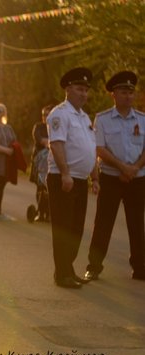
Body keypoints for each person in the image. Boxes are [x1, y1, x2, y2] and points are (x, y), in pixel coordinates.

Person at [84, 71, 145, 282]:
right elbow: (99, 148)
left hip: (137, 178)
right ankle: (94, 266)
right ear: (113, 95)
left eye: (130, 92)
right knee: (103, 222)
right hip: (111, 177)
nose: (128, 96)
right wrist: (122, 167)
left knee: (137, 223)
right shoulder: (102, 119)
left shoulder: (143, 119)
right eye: (123, 92)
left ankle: (140, 267)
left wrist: (135, 167)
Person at [47, 67, 99, 289]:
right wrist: (66, 174)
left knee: (76, 228)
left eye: (86, 90)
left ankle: (68, 269)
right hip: (63, 178)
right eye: (79, 89)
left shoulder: (84, 116)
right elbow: (57, 144)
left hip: (79, 179)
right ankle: (62, 274)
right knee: (63, 227)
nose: (84, 94)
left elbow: (91, 148)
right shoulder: (59, 114)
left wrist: (95, 177)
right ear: (68, 89)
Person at [30, 104, 54, 222]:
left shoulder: (56, 127)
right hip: (39, 162)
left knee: (51, 189)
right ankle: (40, 212)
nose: (46, 116)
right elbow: (42, 140)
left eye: (48, 114)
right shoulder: (38, 127)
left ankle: (49, 213)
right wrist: (53, 144)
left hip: (53, 162)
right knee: (40, 187)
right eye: (44, 114)